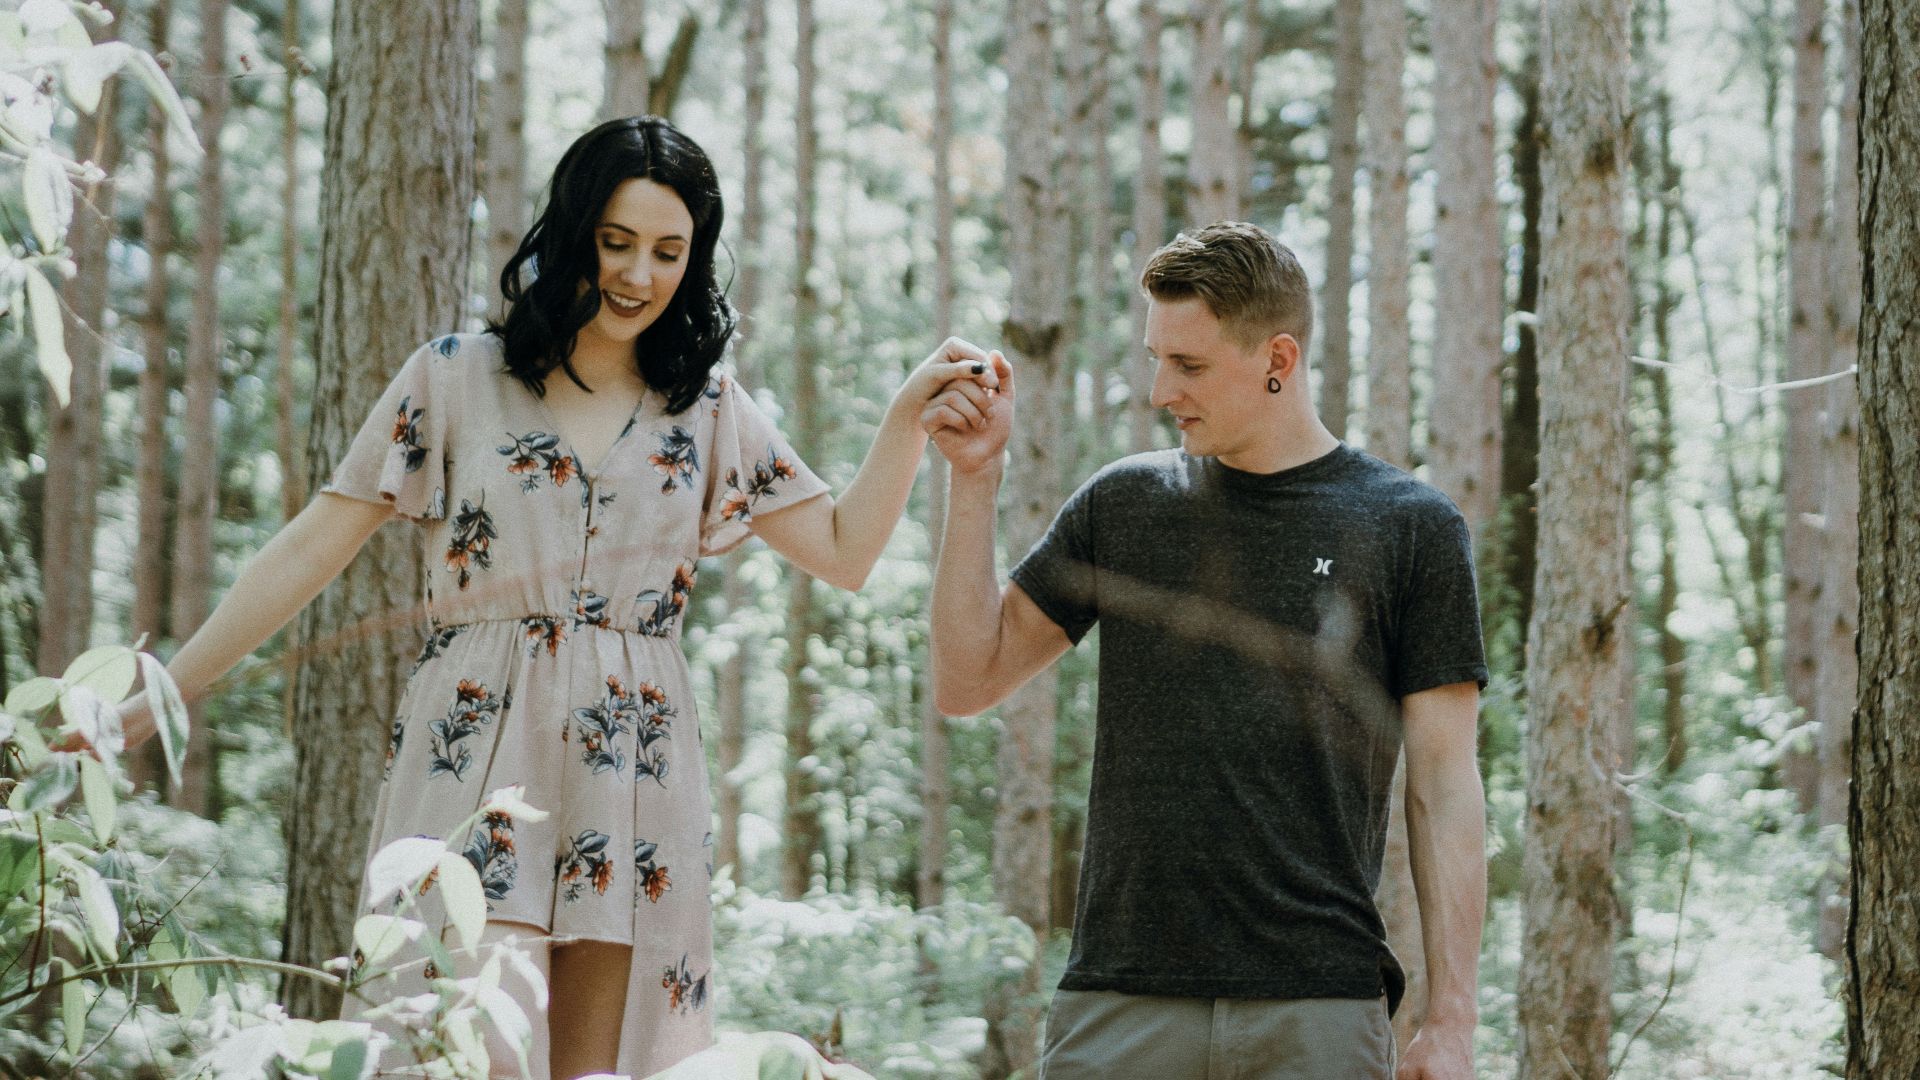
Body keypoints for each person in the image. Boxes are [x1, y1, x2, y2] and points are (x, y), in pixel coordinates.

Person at [114, 116, 1000, 1080]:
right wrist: (152, 701)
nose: (638, 275)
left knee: (603, 1071)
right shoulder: (455, 378)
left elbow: (842, 550)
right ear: (571, 233)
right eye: (616, 242)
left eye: (669, 252)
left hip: (635, 775)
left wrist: (909, 414)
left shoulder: (705, 408)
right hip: (474, 758)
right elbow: (304, 552)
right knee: (455, 1050)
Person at [922, 222, 1487, 1080]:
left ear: (1278, 359)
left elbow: (1445, 788)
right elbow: (967, 680)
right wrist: (974, 482)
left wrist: (1451, 1019)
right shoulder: (1125, 504)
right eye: (1156, 357)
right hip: (1120, 1001)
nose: (1159, 389)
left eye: (1187, 366)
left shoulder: (1411, 528)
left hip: (1317, 1007)